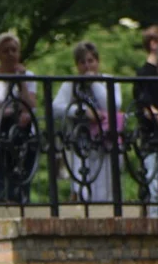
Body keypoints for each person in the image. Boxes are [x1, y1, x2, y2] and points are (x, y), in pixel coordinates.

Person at [53, 41, 124, 204]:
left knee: (106, 189)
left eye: (91, 61)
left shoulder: (109, 81)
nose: (87, 66)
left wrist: (94, 83)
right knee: (82, 188)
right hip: (81, 142)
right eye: (82, 62)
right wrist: (83, 111)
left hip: (106, 141)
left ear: (97, 61)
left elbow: (113, 105)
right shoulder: (71, 84)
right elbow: (56, 107)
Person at [0, 32, 39, 206]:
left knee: (22, 165)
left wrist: (22, 83)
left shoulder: (28, 75)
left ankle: (20, 198)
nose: (11, 54)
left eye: (14, 50)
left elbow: (31, 104)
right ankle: (0, 197)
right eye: (6, 51)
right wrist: (9, 112)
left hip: (21, 129)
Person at [133, 26, 158, 217]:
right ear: (153, 44)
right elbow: (145, 106)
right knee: (157, 187)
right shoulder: (144, 73)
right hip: (154, 140)